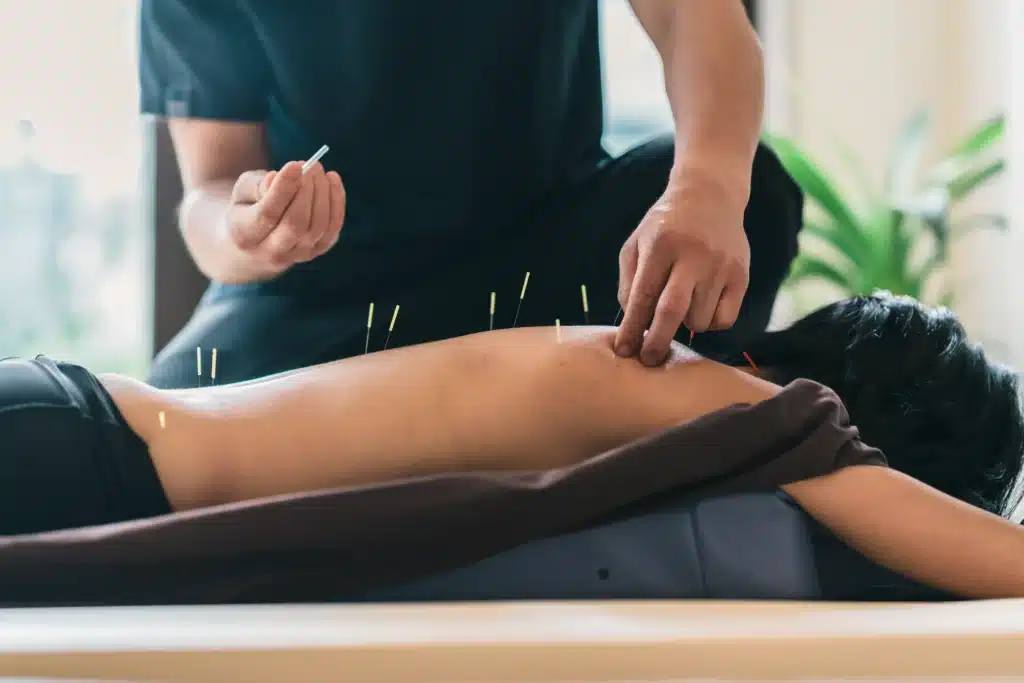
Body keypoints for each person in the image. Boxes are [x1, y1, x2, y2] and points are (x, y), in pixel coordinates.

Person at [2, 293, 1023, 599]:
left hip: (80, 432)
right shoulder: (720, 403)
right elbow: (993, 561)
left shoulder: (683, 397)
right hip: (80, 453)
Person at [138, 0, 804, 387]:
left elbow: (696, 18)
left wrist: (704, 189)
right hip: (322, 304)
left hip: (549, 275)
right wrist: (251, 230)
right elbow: (210, 193)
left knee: (755, 199)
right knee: (163, 425)